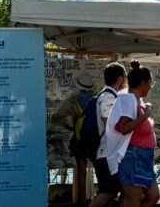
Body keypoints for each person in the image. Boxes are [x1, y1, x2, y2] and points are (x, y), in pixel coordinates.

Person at [108, 62, 160, 207]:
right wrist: (143, 117)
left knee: (153, 196)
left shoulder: (137, 100)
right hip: (133, 157)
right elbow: (123, 127)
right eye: (150, 83)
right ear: (143, 83)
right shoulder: (127, 100)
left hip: (144, 158)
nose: (150, 87)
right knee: (133, 199)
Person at [51, 72, 96, 205]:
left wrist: (70, 126)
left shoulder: (73, 100)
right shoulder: (98, 98)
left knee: (81, 171)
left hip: (79, 139)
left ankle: (82, 200)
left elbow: (58, 116)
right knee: (99, 169)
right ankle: (100, 198)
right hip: (95, 140)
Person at [88, 62, 126, 207]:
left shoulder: (111, 96)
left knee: (118, 191)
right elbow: (110, 123)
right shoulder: (107, 98)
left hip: (110, 154)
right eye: (125, 77)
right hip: (107, 154)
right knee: (108, 192)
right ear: (120, 79)